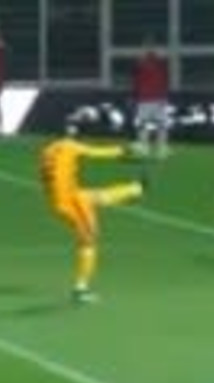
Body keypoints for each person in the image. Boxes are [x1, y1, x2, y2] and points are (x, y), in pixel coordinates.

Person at [39, 126, 148, 304]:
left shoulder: (48, 150)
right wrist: (124, 150)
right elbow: (96, 152)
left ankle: (135, 189)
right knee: (89, 241)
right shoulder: (71, 146)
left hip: (64, 199)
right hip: (70, 204)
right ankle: (81, 289)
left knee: (91, 198)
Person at [132, 37, 170, 158]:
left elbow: (163, 80)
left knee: (159, 124)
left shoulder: (158, 63)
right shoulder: (143, 63)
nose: (147, 50)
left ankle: (160, 149)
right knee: (147, 124)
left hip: (154, 98)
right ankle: (147, 148)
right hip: (146, 98)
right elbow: (137, 81)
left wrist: (163, 96)